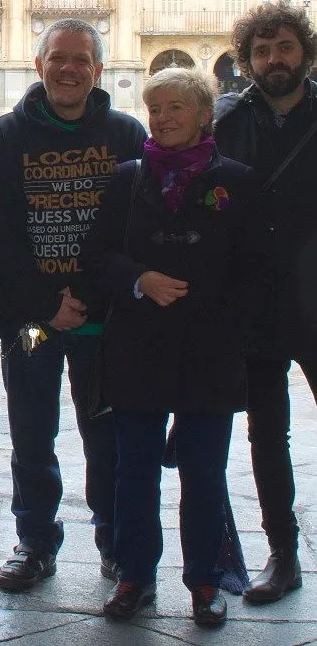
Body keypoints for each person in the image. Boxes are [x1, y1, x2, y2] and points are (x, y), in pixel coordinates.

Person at [86, 68, 256, 627]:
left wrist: (216, 311)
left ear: (204, 114)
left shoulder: (238, 181)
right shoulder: (127, 179)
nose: (163, 118)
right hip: (139, 348)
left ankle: (205, 581)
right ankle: (135, 576)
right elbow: (99, 258)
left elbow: (254, 272)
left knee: (204, 474)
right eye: (156, 108)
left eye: (176, 107)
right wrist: (141, 279)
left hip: (210, 353)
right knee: (133, 471)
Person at [0, 17, 146, 591]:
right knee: (31, 432)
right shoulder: (7, 135)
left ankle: (114, 540)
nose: (68, 68)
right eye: (58, 57)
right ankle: (35, 541)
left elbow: (138, 232)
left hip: (106, 322)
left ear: (97, 70)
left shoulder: (126, 134)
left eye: (80, 59)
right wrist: (46, 304)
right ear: (39, 65)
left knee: (106, 436)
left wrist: (92, 300)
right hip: (32, 322)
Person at [212, 3, 317, 604]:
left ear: (303, 49)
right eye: (262, 50)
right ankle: (284, 552)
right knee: (265, 432)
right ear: (247, 58)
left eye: (283, 47)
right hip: (256, 304)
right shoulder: (227, 120)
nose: (274, 59)